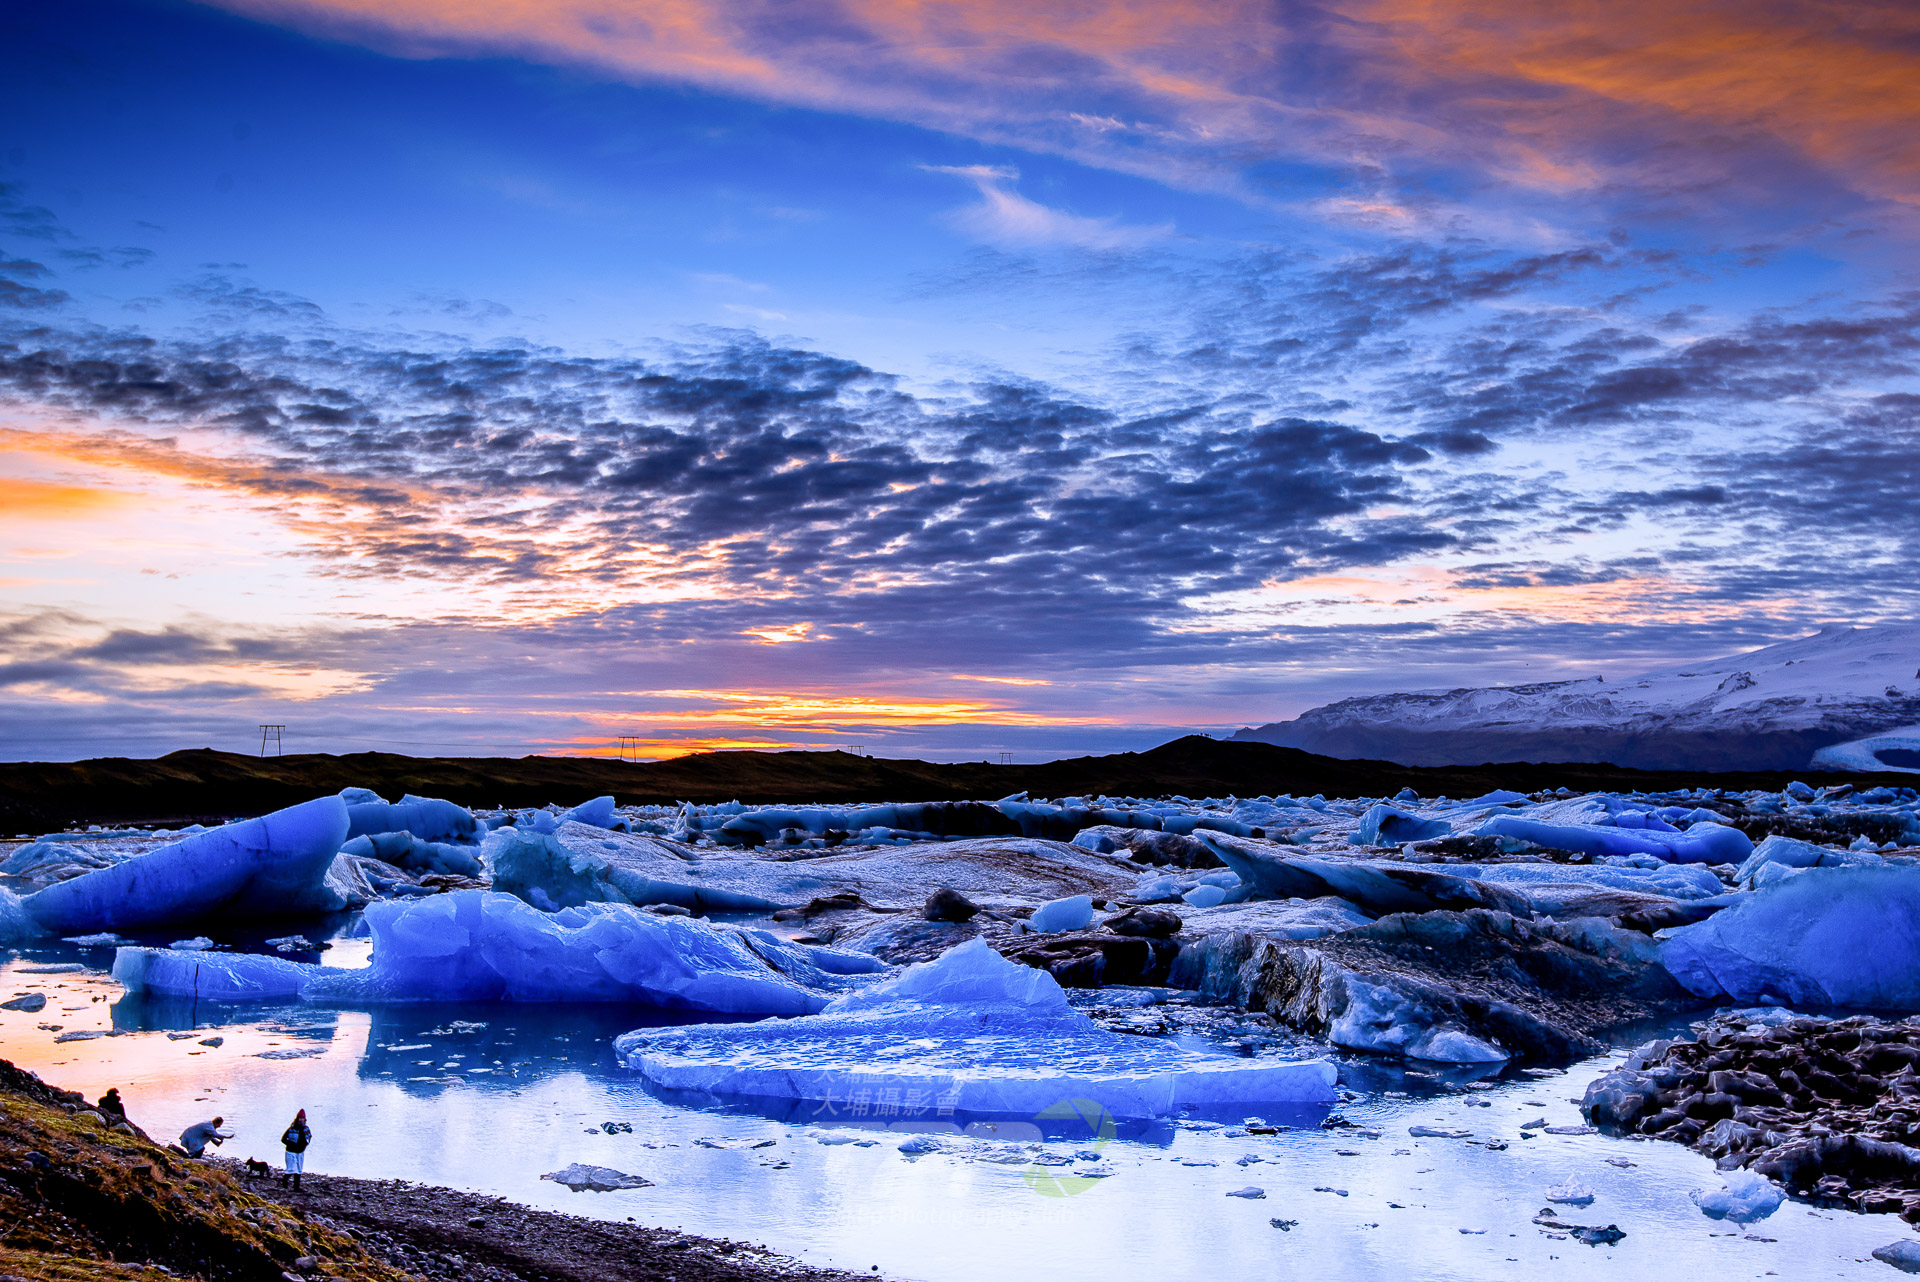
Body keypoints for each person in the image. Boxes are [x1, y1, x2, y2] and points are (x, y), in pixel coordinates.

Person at [279, 1109, 311, 1190]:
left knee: (299, 1169)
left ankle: (296, 1187)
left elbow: (309, 1138)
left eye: (302, 1118)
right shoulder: (292, 1129)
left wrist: (305, 1145)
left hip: (300, 1152)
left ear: (304, 1119)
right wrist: (291, 1144)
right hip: (291, 1152)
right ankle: (284, 1184)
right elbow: (283, 1139)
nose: (300, 1120)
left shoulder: (306, 1129)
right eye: (299, 1118)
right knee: (291, 1169)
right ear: (297, 1119)